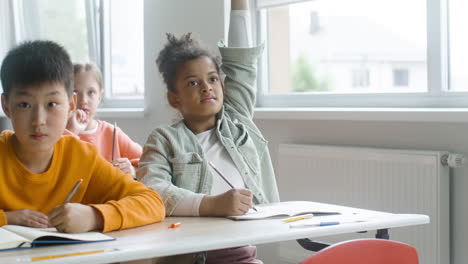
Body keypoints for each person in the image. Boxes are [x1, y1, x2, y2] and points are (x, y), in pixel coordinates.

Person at [137, 0, 279, 262]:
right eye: (193, 83)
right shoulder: (165, 139)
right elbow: (152, 190)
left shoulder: (238, 118)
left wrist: (239, 5)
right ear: (174, 99)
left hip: (243, 255)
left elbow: (242, 62)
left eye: (213, 79)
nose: (207, 87)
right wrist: (211, 204)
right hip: (192, 256)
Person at [0, 40, 165, 233]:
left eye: (51, 104)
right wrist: (7, 218)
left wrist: (94, 217)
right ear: (6, 106)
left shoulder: (81, 157)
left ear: (71, 105)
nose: (39, 121)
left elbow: (152, 203)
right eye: (24, 105)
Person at [66, 63, 142, 177]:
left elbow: (148, 161)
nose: (83, 101)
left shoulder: (112, 133)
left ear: (100, 96)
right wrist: (71, 132)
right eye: (76, 92)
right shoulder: (60, 134)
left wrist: (133, 171)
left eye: (91, 92)